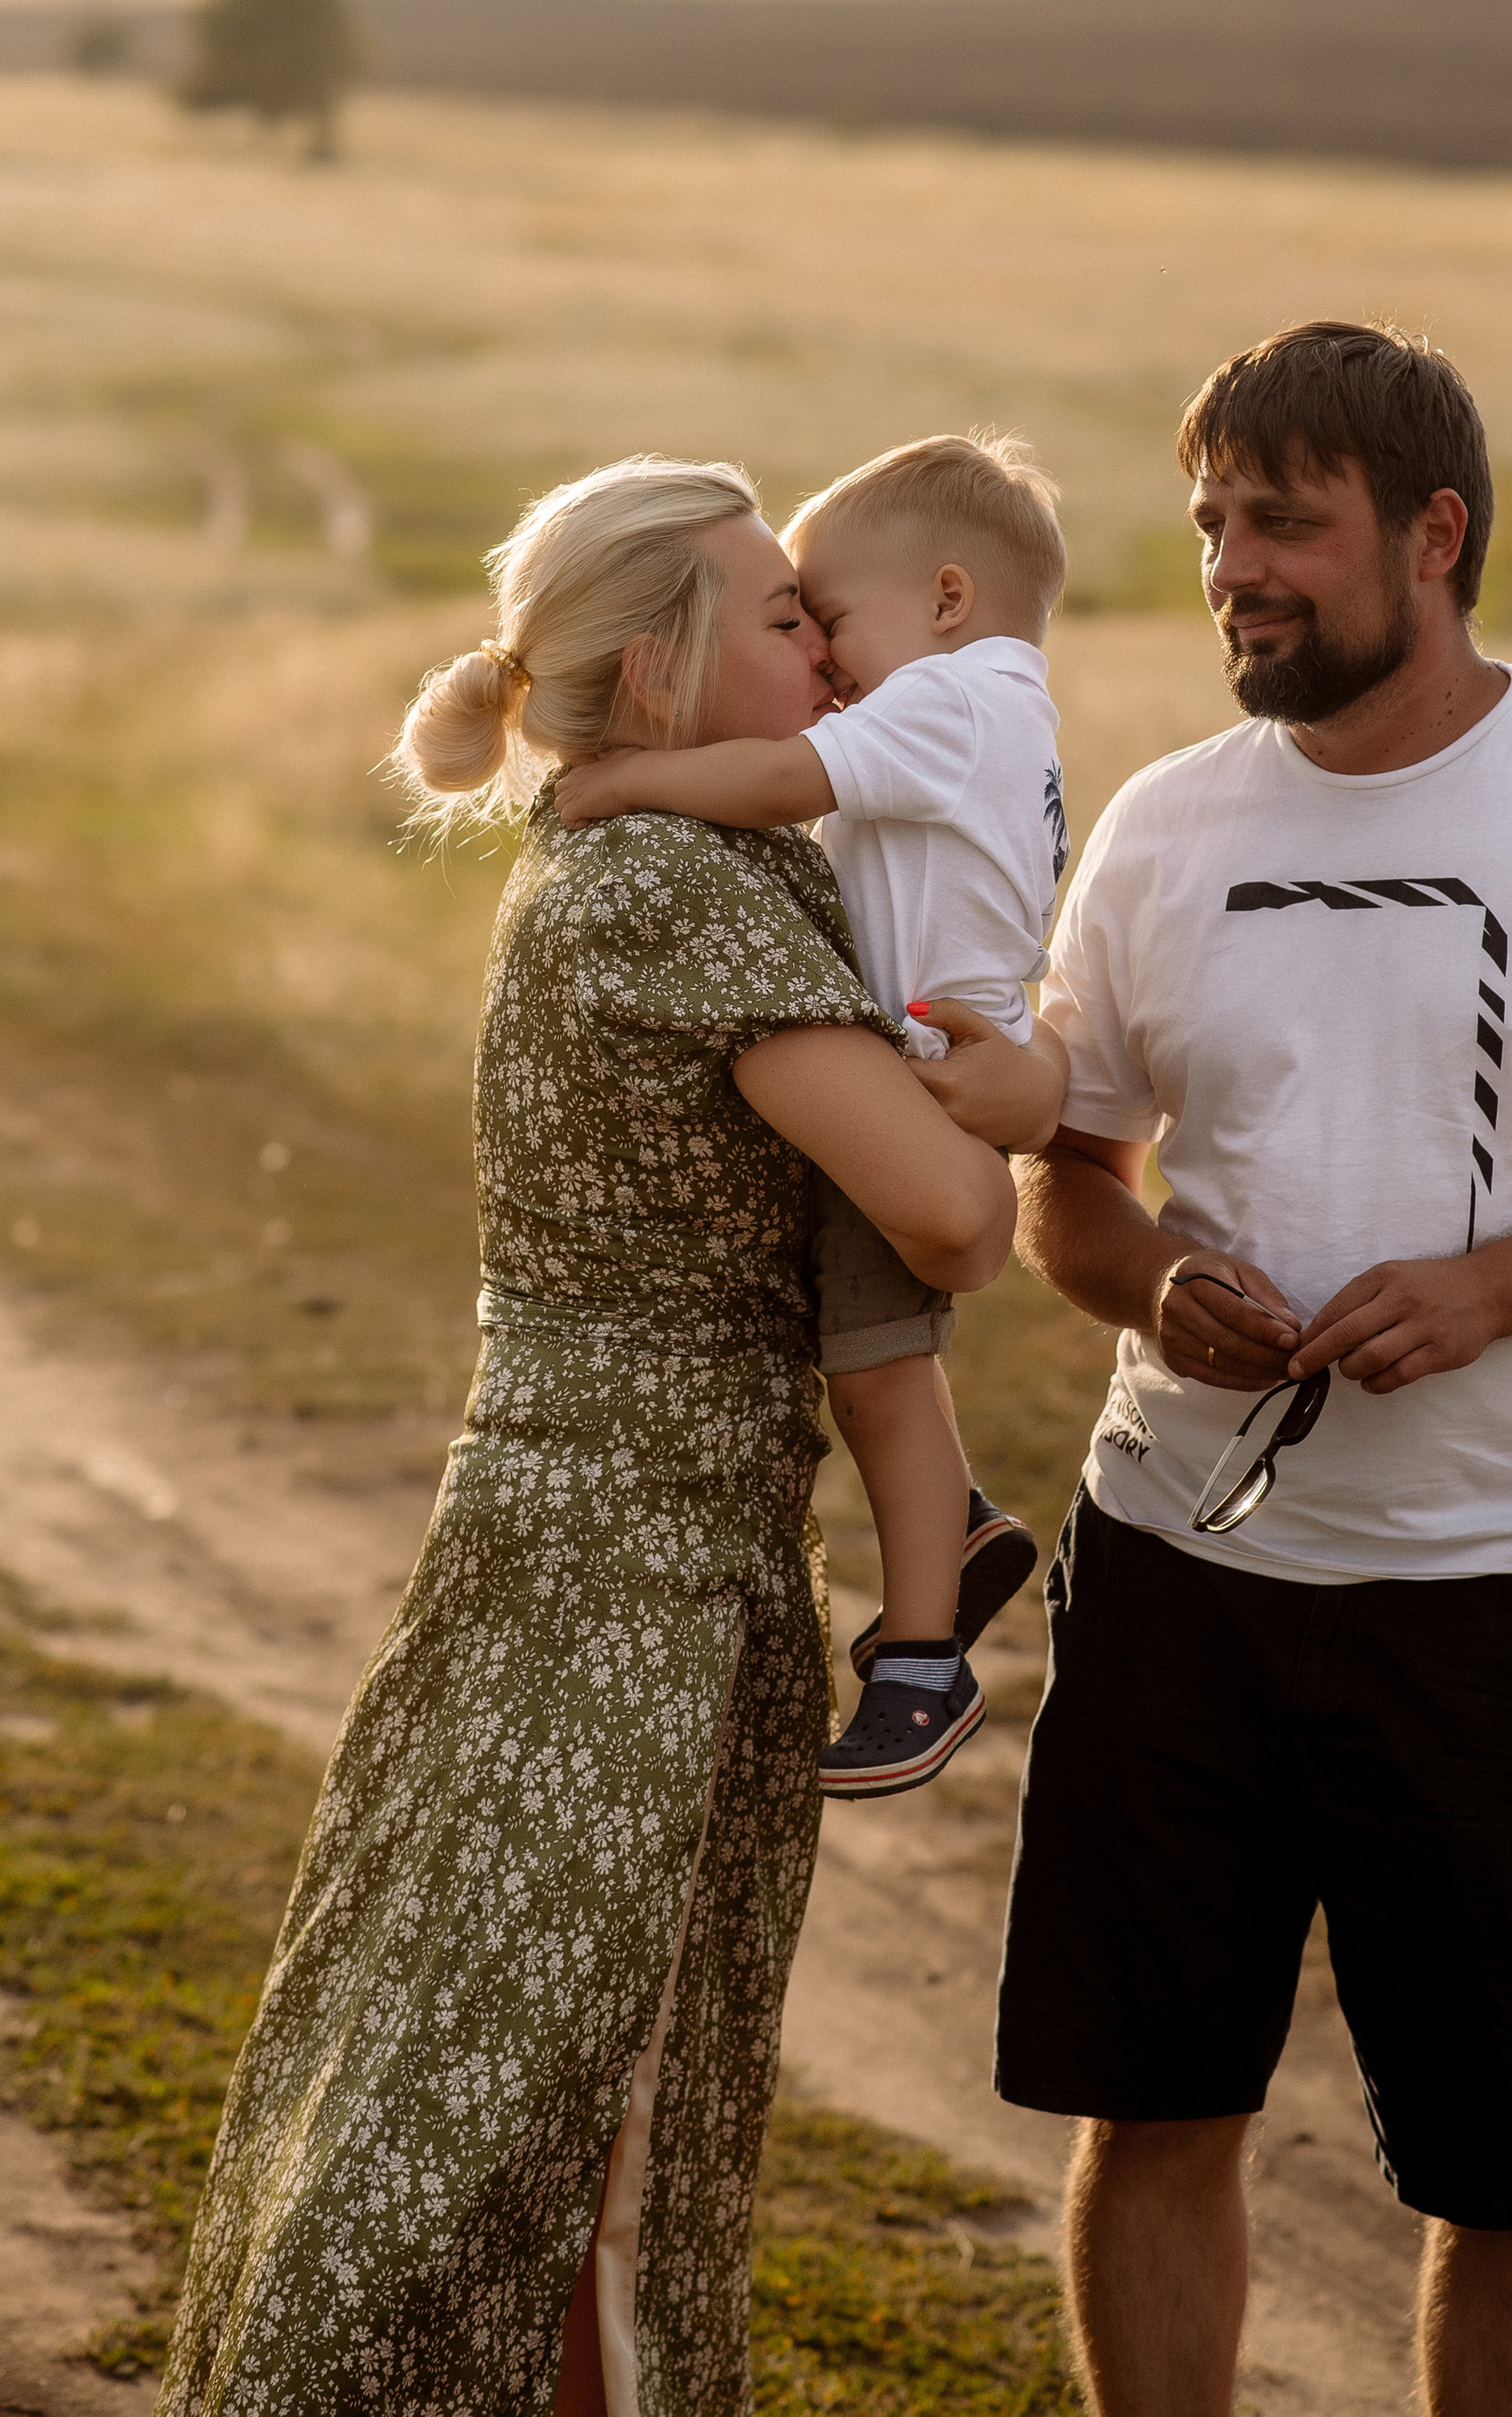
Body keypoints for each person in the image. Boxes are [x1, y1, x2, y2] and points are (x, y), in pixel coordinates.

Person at [996, 322, 1512, 2417]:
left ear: (1432, 535)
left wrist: (1490, 1292)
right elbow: (1072, 1190)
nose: (1228, 570)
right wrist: (1151, 1284)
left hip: (1502, 1596)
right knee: (1154, 2105)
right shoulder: (1166, 824)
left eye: (1280, 522)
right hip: (1175, 1573)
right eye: (1207, 528)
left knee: (1508, 2166)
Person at [159, 455, 1061, 2417]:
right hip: (623, 1577)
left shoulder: (679, 860)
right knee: (543, 2111)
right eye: (780, 616)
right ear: (654, 676)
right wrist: (1022, 1086)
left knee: (525, 2086)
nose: (825, 643)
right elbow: (957, 1222)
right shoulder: (667, 882)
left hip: (632, 1543)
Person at [560, 431, 1070, 1797]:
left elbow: (790, 782)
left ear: (949, 600)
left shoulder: (954, 701)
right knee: (888, 1366)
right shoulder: (998, 709)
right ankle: (952, 1536)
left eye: (827, 618)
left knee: (880, 1373)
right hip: (945, 1058)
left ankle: (922, 1660)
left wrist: (621, 783)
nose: (829, 661)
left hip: (916, 1073)